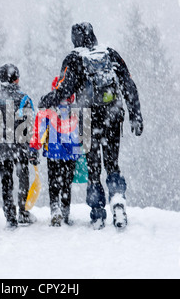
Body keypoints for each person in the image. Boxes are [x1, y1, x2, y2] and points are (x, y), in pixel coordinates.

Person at [39, 22, 144, 230]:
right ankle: (118, 204)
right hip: (113, 117)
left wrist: (48, 99)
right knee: (112, 164)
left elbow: (64, 90)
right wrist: (136, 115)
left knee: (94, 169)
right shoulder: (110, 53)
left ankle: (97, 214)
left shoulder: (74, 58)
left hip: (88, 120)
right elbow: (128, 84)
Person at [0, 63, 37, 229]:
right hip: (20, 148)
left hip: (0, 148)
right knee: (23, 178)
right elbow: (31, 126)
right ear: (16, 79)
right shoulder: (25, 99)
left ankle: (10, 215)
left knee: (6, 181)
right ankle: (23, 211)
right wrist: (33, 150)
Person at [30, 77, 82, 227]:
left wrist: (34, 148)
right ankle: (65, 211)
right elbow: (83, 132)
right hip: (71, 152)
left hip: (53, 151)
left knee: (54, 182)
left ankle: (55, 209)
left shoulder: (48, 108)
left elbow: (39, 131)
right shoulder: (77, 107)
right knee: (67, 183)